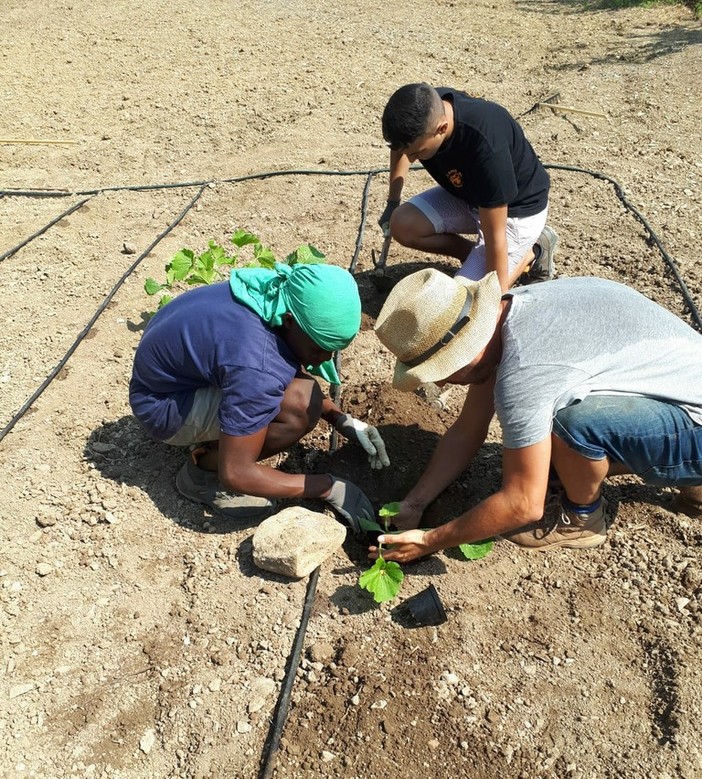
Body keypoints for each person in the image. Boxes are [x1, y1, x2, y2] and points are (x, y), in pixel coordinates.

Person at [370, 269, 702, 560]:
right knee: (545, 456)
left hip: (694, 423)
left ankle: (584, 519)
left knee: (569, 428)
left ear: (466, 353)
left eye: (440, 370)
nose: (440, 381)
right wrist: (415, 503)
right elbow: (468, 429)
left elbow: (523, 504)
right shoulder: (508, 315)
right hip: (680, 387)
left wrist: (429, 541)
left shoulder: (524, 369)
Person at [129, 262, 389, 531]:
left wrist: (340, 419)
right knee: (299, 409)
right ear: (289, 320)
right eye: (320, 348)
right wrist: (326, 487)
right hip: (162, 407)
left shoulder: (273, 294)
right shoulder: (257, 363)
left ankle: (218, 440)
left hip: (173, 376)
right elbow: (236, 473)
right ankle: (202, 474)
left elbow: (268, 363)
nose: (325, 359)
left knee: (299, 392)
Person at [379, 83, 557, 294]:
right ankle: (469, 255)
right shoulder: (424, 111)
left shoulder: (486, 148)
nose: (410, 159)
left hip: (515, 210)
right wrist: (393, 202)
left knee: (468, 299)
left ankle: (535, 250)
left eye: (418, 153)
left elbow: (496, 239)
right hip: (470, 196)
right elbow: (401, 149)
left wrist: (492, 302)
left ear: (442, 128)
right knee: (402, 223)